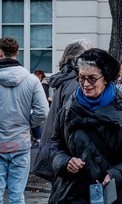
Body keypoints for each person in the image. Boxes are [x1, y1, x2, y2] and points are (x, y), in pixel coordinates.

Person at [48, 48, 122, 203]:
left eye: (92, 78)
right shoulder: (67, 111)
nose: (85, 84)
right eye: (81, 77)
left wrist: (117, 174)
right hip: (71, 195)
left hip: (114, 196)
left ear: (106, 78)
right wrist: (65, 161)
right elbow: (54, 146)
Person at [0, 37, 49, 203]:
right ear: (17, 53)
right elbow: (43, 112)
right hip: (20, 142)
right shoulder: (32, 80)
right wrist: (28, 122)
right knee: (17, 195)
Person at [33, 39, 92, 181]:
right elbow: (71, 124)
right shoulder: (74, 84)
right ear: (77, 59)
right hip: (66, 158)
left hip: (59, 154)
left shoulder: (67, 80)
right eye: (89, 56)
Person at [32, 70, 50, 144]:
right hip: (41, 106)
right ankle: (37, 138)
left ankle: (38, 138)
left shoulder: (43, 85)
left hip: (39, 106)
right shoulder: (43, 84)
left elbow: (44, 97)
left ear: (40, 76)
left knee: (36, 123)